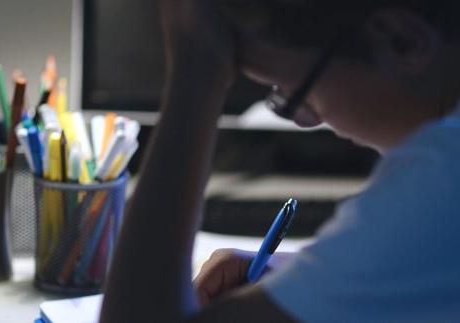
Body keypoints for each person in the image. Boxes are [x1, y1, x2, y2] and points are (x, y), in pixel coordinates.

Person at [100, 0, 460, 322]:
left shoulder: (440, 180)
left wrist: (194, 73)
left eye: (293, 94)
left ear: (402, 42)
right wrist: (302, 277)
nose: (306, 120)